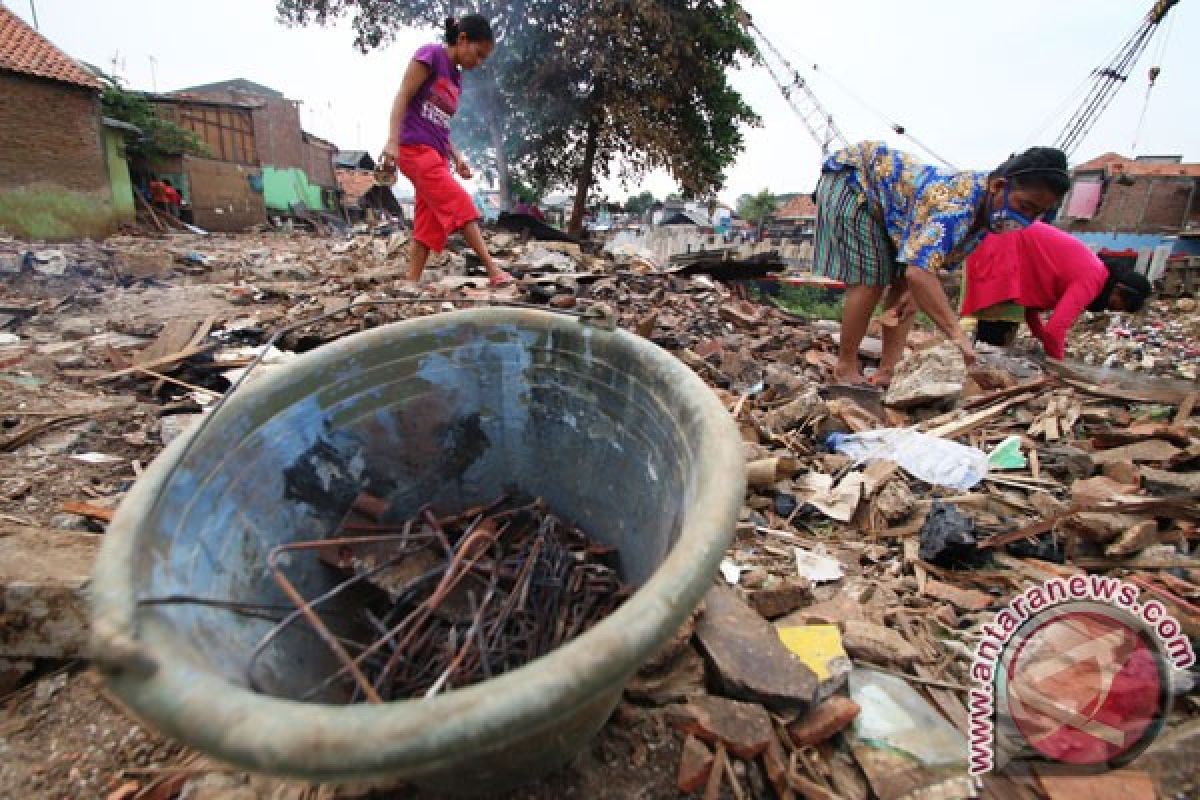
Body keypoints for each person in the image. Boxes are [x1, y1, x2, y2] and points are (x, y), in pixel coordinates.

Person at [813, 141, 1071, 385]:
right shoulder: (955, 207)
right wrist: (957, 336)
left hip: (890, 205)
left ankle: (888, 371)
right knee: (871, 281)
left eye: (1037, 213)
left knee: (905, 291)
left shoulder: (984, 214)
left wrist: (917, 290)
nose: (1026, 218)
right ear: (999, 186)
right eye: (1025, 206)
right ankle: (845, 367)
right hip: (853, 182)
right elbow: (919, 271)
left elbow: (919, 274)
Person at [379, 15, 513, 287]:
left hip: (436, 153)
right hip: (414, 149)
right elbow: (402, 95)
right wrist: (391, 142)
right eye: (478, 54)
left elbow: (440, 124)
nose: (479, 63)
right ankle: (493, 270)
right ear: (462, 39)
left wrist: (457, 157)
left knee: (427, 225)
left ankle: (410, 283)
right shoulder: (430, 56)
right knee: (461, 204)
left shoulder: (456, 79)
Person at [961, 221, 1151, 360]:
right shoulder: (1092, 278)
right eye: (1120, 306)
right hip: (1005, 248)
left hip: (1008, 244)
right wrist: (1059, 364)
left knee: (994, 335)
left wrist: (1040, 336)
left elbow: (1031, 306)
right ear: (1119, 291)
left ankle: (975, 366)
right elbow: (1056, 327)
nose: (1113, 310)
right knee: (995, 337)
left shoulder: (1094, 272)